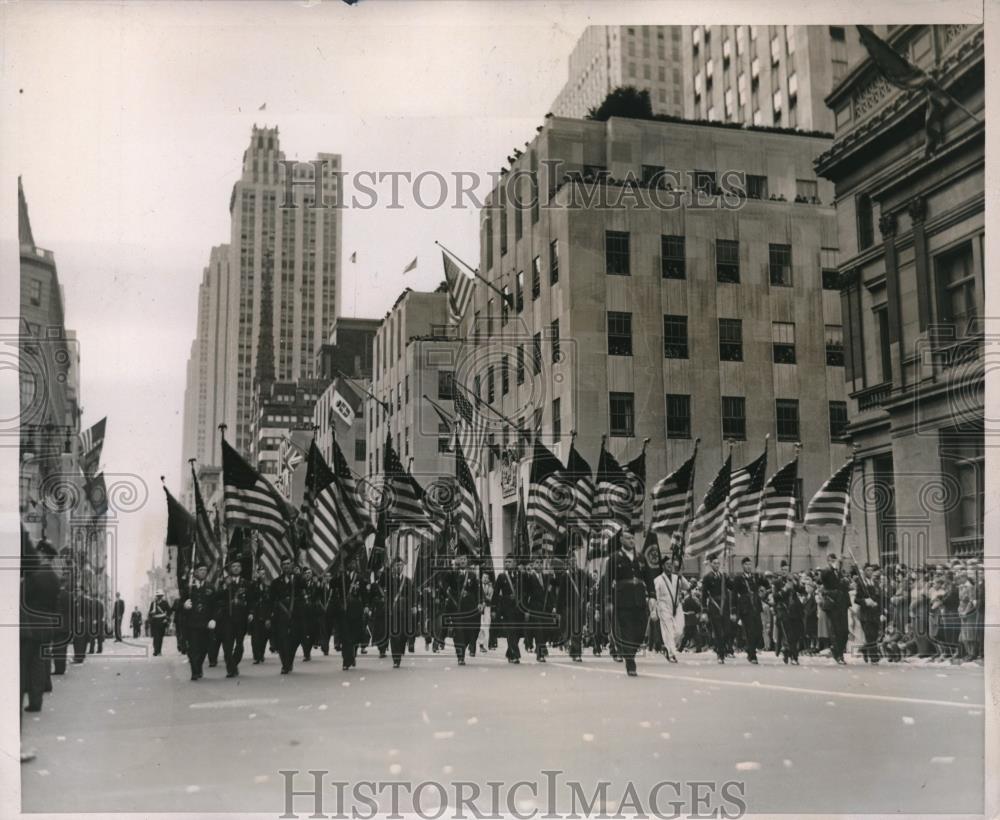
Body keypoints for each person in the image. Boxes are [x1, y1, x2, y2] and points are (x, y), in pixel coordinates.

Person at [604, 530, 656, 677]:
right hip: (623, 600)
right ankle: (630, 661)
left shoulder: (640, 558)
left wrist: (652, 596)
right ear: (621, 540)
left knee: (640, 632)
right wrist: (608, 601)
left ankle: (629, 651)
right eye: (628, 538)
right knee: (627, 631)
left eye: (633, 538)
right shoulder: (614, 559)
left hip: (639, 599)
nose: (632, 540)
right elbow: (608, 580)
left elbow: (649, 578)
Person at [269, 557, 307, 674]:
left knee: (294, 640)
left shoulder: (298, 579)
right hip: (281, 614)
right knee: (282, 640)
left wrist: (299, 575)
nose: (286, 566)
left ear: (292, 565)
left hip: (296, 614)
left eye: (288, 564)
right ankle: (285, 664)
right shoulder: (275, 582)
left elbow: (304, 586)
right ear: (281, 566)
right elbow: (271, 599)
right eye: (284, 564)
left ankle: (289, 661)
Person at [215, 556, 251, 677]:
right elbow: (217, 597)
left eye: (238, 566)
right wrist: (225, 587)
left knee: (239, 646)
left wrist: (251, 612)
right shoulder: (224, 582)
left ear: (241, 568)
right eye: (233, 566)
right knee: (227, 646)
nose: (236, 568)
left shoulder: (246, 583)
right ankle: (231, 669)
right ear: (230, 569)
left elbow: (251, 600)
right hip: (227, 619)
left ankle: (233, 664)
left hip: (241, 618)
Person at [332, 553, 368, 671]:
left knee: (355, 635)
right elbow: (332, 585)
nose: (352, 564)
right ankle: (346, 660)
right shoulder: (341, 577)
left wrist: (366, 606)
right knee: (345, 636)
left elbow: (364, 593)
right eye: (350, 563)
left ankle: (352, 655)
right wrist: (337, 574)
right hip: (343, 609)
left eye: (353, 562)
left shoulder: (359, 578)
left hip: (356, 609)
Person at [445, 549, 481, 665]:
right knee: (459, 631)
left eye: (465, 559)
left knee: (469, 631)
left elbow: (477, 591)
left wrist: (480, 602)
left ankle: (464, 648)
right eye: (460, 559)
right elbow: (444, 583)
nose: (463, 561)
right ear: (457, 560)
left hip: (470, 609)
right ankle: (460, 656)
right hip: (457, 609)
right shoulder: (452, 574)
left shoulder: (472, 575)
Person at [182, 562, 216, 680]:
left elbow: (215, 606)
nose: (203, 572)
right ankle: (195, 671)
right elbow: (179, 604)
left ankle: (198, 665)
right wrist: (184, 605)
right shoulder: (188, 588)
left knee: (204, 647)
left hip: (206, 623)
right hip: (191, 623)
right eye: (201, 570)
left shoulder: (210, 587)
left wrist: (213, 619)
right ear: (195, 572)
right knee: (193, 648)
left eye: (205, 570)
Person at [653, 555, 688, 663]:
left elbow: (687, 587)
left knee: (679, 631)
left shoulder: (676, 578)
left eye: (671, 564)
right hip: (664, 606)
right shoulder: (658, 580)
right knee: (668, 630)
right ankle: (671, 653)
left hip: (676, 606)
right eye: (667, 564)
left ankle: (667, 648)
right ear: (663, 566)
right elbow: (656, 596)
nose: (670, 566)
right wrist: (655, 610)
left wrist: (681, 576)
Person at [731, 557, 765, 664]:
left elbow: (766, 584)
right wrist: (733, 610)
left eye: (750, 564)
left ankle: (750, 650)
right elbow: (734, 594)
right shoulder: (738, 578)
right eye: (746, 564)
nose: (748, 567)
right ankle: (752, 655)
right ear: (742, 566)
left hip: (755, 606)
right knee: (750, 632)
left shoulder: (755, 577)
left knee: (759, 630)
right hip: (745, 608)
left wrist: (761, 574)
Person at [386, 557, 416, 668]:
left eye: (400, 565)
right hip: (393, 611)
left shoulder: (407, 581)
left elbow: (412, 594)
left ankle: (400, 651)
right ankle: (396, 658)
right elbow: (387, 595)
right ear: (393, 567)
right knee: (394, 635)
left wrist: (413, 606)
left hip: (404, 611)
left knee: (402, 635)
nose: (398, 567)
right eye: (396, 565)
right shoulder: (389, 580)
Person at [819, 553, 849, 664]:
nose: (834, 562)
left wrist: (845, 582)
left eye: (835, 560)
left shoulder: (838, 572)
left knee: (845, 631)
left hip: (842, 604)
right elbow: (823, 577)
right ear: (828, 561)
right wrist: (832, 566)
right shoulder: (826, 571)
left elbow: (842, 585)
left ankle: (837, 651)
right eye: (832, 560)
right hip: (833, 605)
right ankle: (839, 655)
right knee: (836, 631)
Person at [700, 554, 730, 664]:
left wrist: (728, 578)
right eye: (714, 563)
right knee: (718, 632)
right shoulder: (707, 577)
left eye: (718, 563)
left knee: (727, 631)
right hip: (714, 607)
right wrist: (704, 610)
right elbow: (704, 595)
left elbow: (731, 587)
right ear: (711, 564)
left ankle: (720, 648)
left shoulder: (723, 577)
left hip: (724, 606)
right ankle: (720, 654)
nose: (717, 565)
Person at [493, 555, 522, 663]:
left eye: (510, 562)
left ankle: (509, 652)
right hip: (507, 608)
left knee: (518, 632)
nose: (507, 564)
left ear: (515, 563)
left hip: (519, 608)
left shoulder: (520, 575)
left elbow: (525, 590)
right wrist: (494, 609)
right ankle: (515, 655)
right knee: (511, 631)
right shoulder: (502, 577)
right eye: (506, 562)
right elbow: (495, 593)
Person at [856, 564, 882, 663]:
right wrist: (866, 601)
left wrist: (881, 610)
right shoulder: (861, 584)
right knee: (869, 635)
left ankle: (865, 649)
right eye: (868, 570)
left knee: (875, 635)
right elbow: (857, 599)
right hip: (865, 614)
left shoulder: (875, 583)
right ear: (864, 572)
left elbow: (879, 597)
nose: (870, 572)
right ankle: (874, 656)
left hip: (875, 613)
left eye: (871, 570)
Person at [248, 566, 271, 663]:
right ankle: (256, 656)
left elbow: (270, 601)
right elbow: (250, 599)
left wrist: (269, 616)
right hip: (256, 613)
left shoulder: (268, 585)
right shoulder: (253, 585)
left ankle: (261, 653)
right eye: (260, 573)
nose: (262, 575)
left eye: (264, 574)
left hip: (265, 614)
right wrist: (250, 612)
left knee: (264, 636)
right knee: (255, 636)